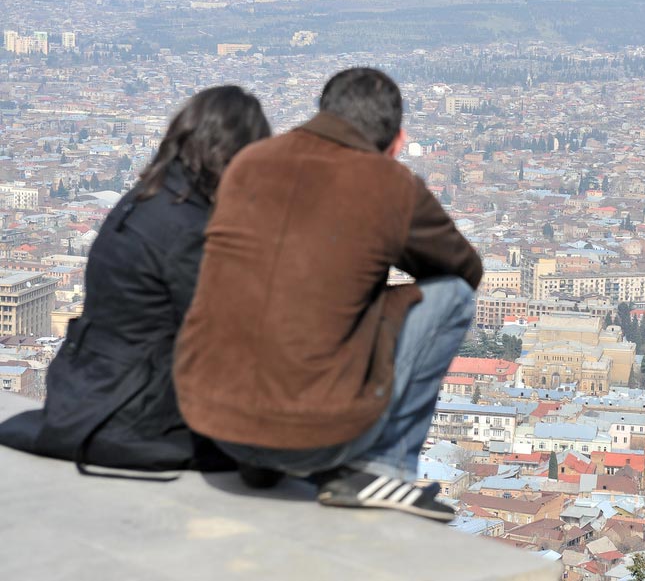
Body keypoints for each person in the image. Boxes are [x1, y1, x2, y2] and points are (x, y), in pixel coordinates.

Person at [173, 67, 481, 520]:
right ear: (397, 137)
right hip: (317, 435)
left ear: (323, 113)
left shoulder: (248, 163)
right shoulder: (387, 183)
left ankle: (263, 466)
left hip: (215, 422)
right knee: (452, 295)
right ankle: (384, 471)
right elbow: (463, 268)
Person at [0, 86, 272, 475]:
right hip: (135, 414)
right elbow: (221, 335)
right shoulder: (187, 227)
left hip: (86, 393)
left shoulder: (147, 200)